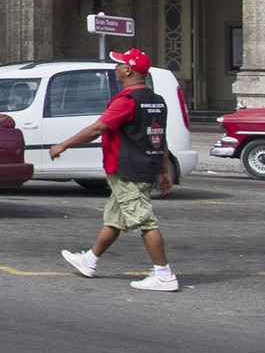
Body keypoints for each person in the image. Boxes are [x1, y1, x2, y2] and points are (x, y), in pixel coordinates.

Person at [51, 47, 179, 292]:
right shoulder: (157, 101)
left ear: (128, 70)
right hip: (144, 168)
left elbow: (97, 129)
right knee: (115, 219)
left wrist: (63, 145)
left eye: (119, 65)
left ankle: (164, 275)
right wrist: (163, 170)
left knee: (145, 222)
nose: (115, 68)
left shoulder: (127, 101)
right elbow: (159, 139)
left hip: (128, 172)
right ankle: (89, 261)